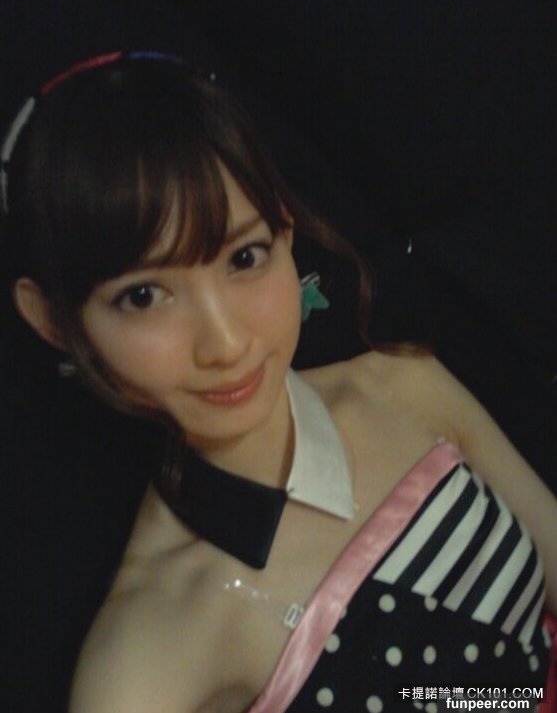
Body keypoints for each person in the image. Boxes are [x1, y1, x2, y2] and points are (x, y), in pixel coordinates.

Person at [3, 51, 556, 713]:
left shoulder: (403, 387)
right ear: (54, 321)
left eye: (244, 256)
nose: (225, 343)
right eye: (143, 296)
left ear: (285, 232)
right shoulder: (144, 660)